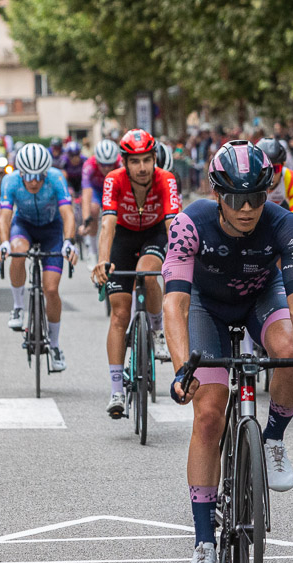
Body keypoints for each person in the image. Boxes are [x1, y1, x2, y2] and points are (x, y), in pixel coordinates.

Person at [163, 140, 293, 563]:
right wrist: (182, 369)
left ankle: (272, 438)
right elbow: (174, 304)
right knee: (210, 413)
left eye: (257, 196)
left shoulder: (283, 223)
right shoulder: (189, 224)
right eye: (236, 198)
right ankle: (203, 542)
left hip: (259, 298)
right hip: (205, 307)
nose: (248, 208)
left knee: (290, 348)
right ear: (218, 195)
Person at [90, 129, 180, 417]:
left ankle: (156, 332)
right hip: (123, 238)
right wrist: (103, 261)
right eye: (135, 161)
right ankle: (116, 391)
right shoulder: (113, 180)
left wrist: (179, 261)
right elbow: (108, 225)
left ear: (154, 158)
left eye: (146, 160)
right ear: (125, 163)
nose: (142, 167)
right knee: (119, 313)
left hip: (154, 235)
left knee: (147, 272)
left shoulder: (166, 180)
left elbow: (173, 226)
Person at [0, 143, 78, 372]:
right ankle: (18, 306)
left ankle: (56, 345)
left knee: (51, 290)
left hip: (52, 230)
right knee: (17, 250)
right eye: (28, 176)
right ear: (20, 172)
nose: (33, 181)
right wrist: (3, 243)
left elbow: (68, 214)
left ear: (45, 172)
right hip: (24, 226)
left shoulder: (56, 178)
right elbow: (5, 217)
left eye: (39, 176)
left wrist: (69, 241)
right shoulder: (10, 181)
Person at [79, 139, 121, 260]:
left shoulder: (121, 163)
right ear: (97, 161)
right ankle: (92, 251)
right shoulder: (89, 165)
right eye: (103, 164)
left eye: (110, 164)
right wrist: (86, 220)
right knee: (93, 209)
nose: (107, 168)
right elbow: (86, 193)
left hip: (114, 189)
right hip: (96, 191)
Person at [256, 137, 293, 217]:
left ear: (283, 165)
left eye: (276, 168)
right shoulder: (249, 180)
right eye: (264, 169)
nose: (271, 174)